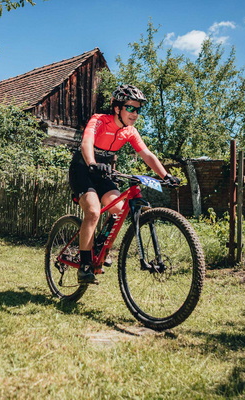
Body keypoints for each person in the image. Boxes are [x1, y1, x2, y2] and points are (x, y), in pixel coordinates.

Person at [69, 84, 178, 284]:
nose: (135, 113)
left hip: (104, 173)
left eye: (138, 110)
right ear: (117, 108)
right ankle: (84, 266)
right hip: (83, 169)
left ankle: (101, 245)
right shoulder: (99, 120)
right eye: (130, 108)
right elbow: (86, 143)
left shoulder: (130, 131)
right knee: (93, 211)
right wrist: (92, 163)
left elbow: (146, 154)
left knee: (119, 210)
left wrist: (165, 176)